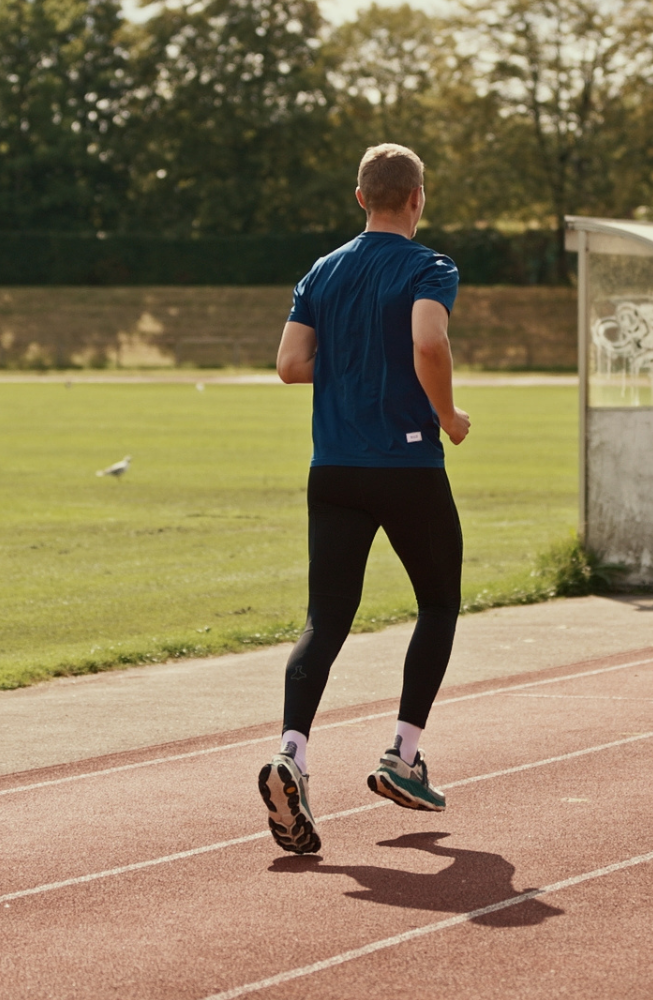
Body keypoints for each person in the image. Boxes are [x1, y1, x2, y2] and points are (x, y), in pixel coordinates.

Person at [257, 143, 470, 856]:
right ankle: (403, 755)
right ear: (417, 197)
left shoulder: (322, 271)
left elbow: (289, 366)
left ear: (360, 198)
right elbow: (428, 342)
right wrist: (446, 413)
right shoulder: (429, 266)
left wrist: (348, 369)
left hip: (334, 469)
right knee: (437, 604)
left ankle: (292, 754)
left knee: (326, 619)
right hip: (406, 462)